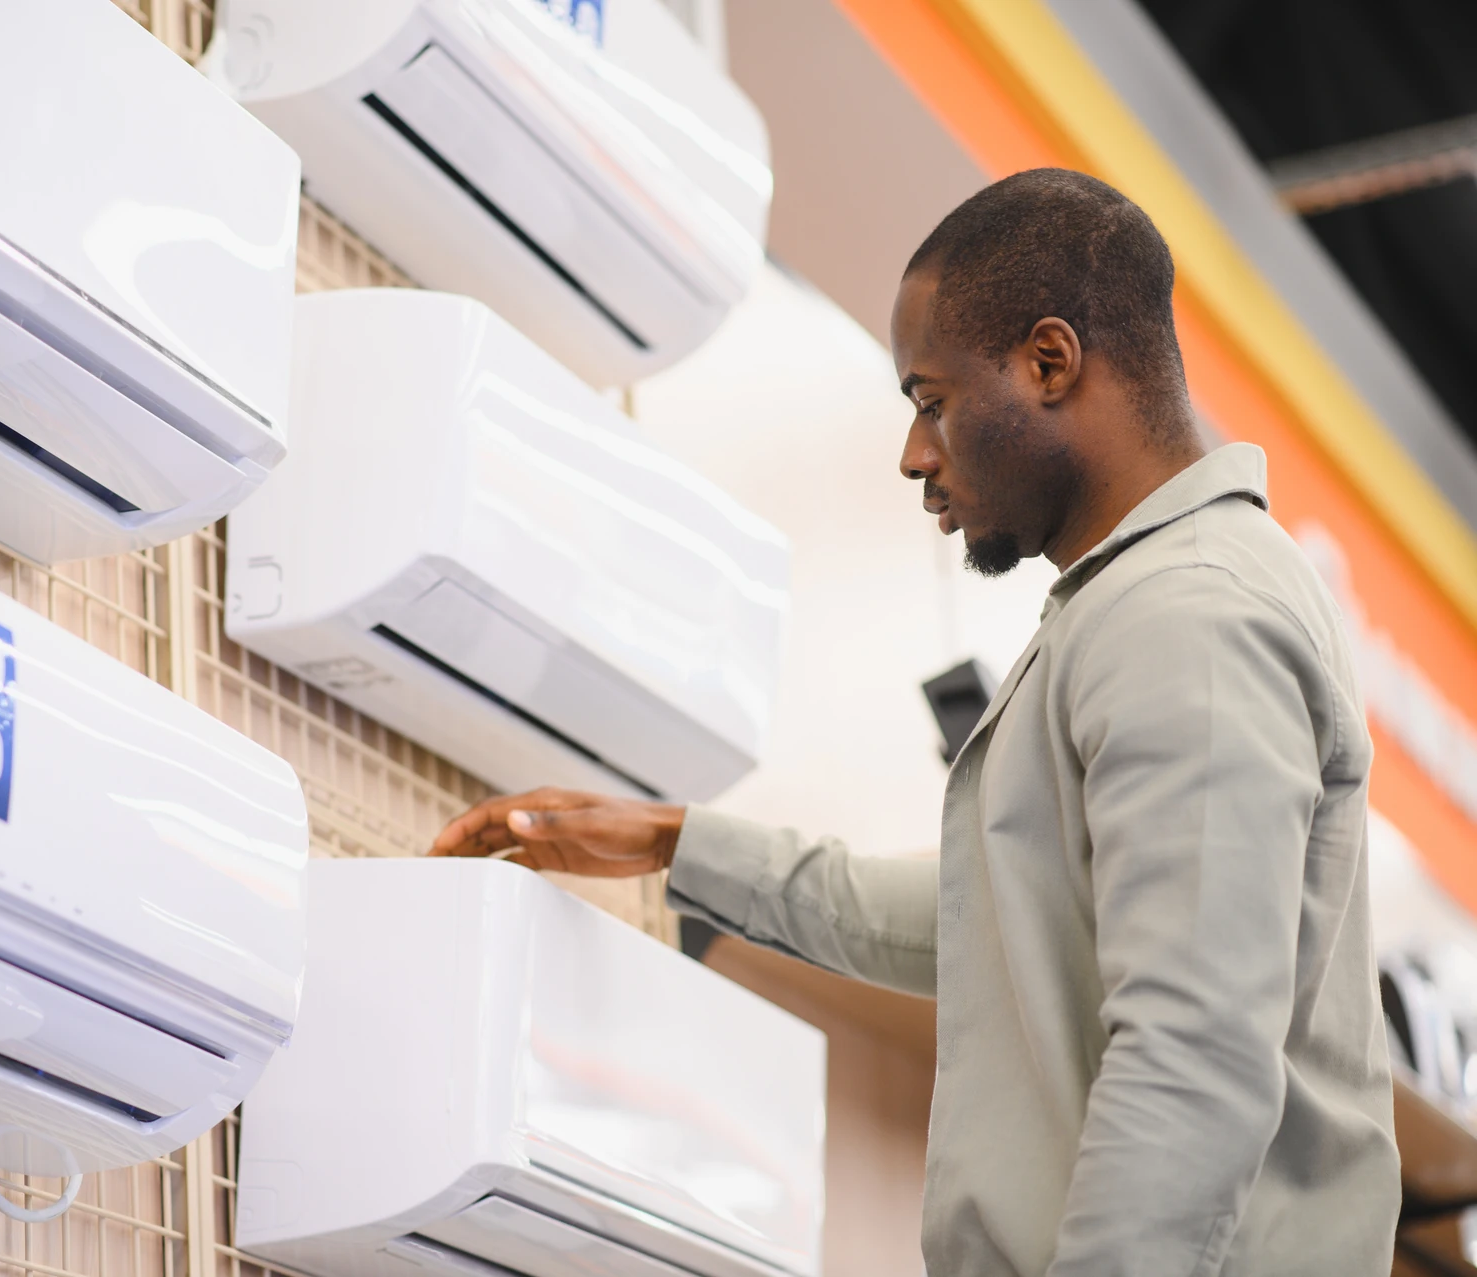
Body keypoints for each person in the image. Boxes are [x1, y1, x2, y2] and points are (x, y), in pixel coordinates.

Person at [430, 169, 1399, 1275]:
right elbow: (996, 915)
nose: (915, 453)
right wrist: (677, 843)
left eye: (930, 399)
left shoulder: (1189, 612)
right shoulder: (1138, 606)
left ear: (1049, 362)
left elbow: (1196, 1061)